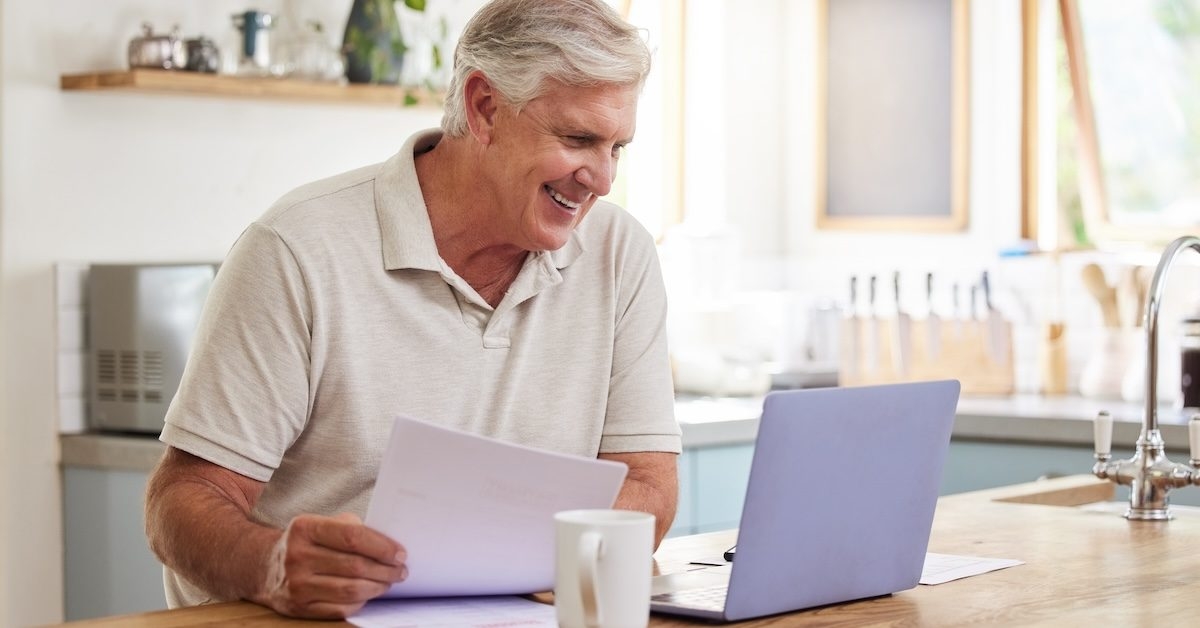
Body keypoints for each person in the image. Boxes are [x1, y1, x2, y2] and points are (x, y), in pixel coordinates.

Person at [143, 0, 681, 620]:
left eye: (619, 147)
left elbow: (647, 480)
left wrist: (548, 564)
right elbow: (181, 502)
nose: (603, 178)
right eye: (579, 139)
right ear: (484, 108)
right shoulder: (298, 249)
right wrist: (270, 564)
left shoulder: (620, 253)